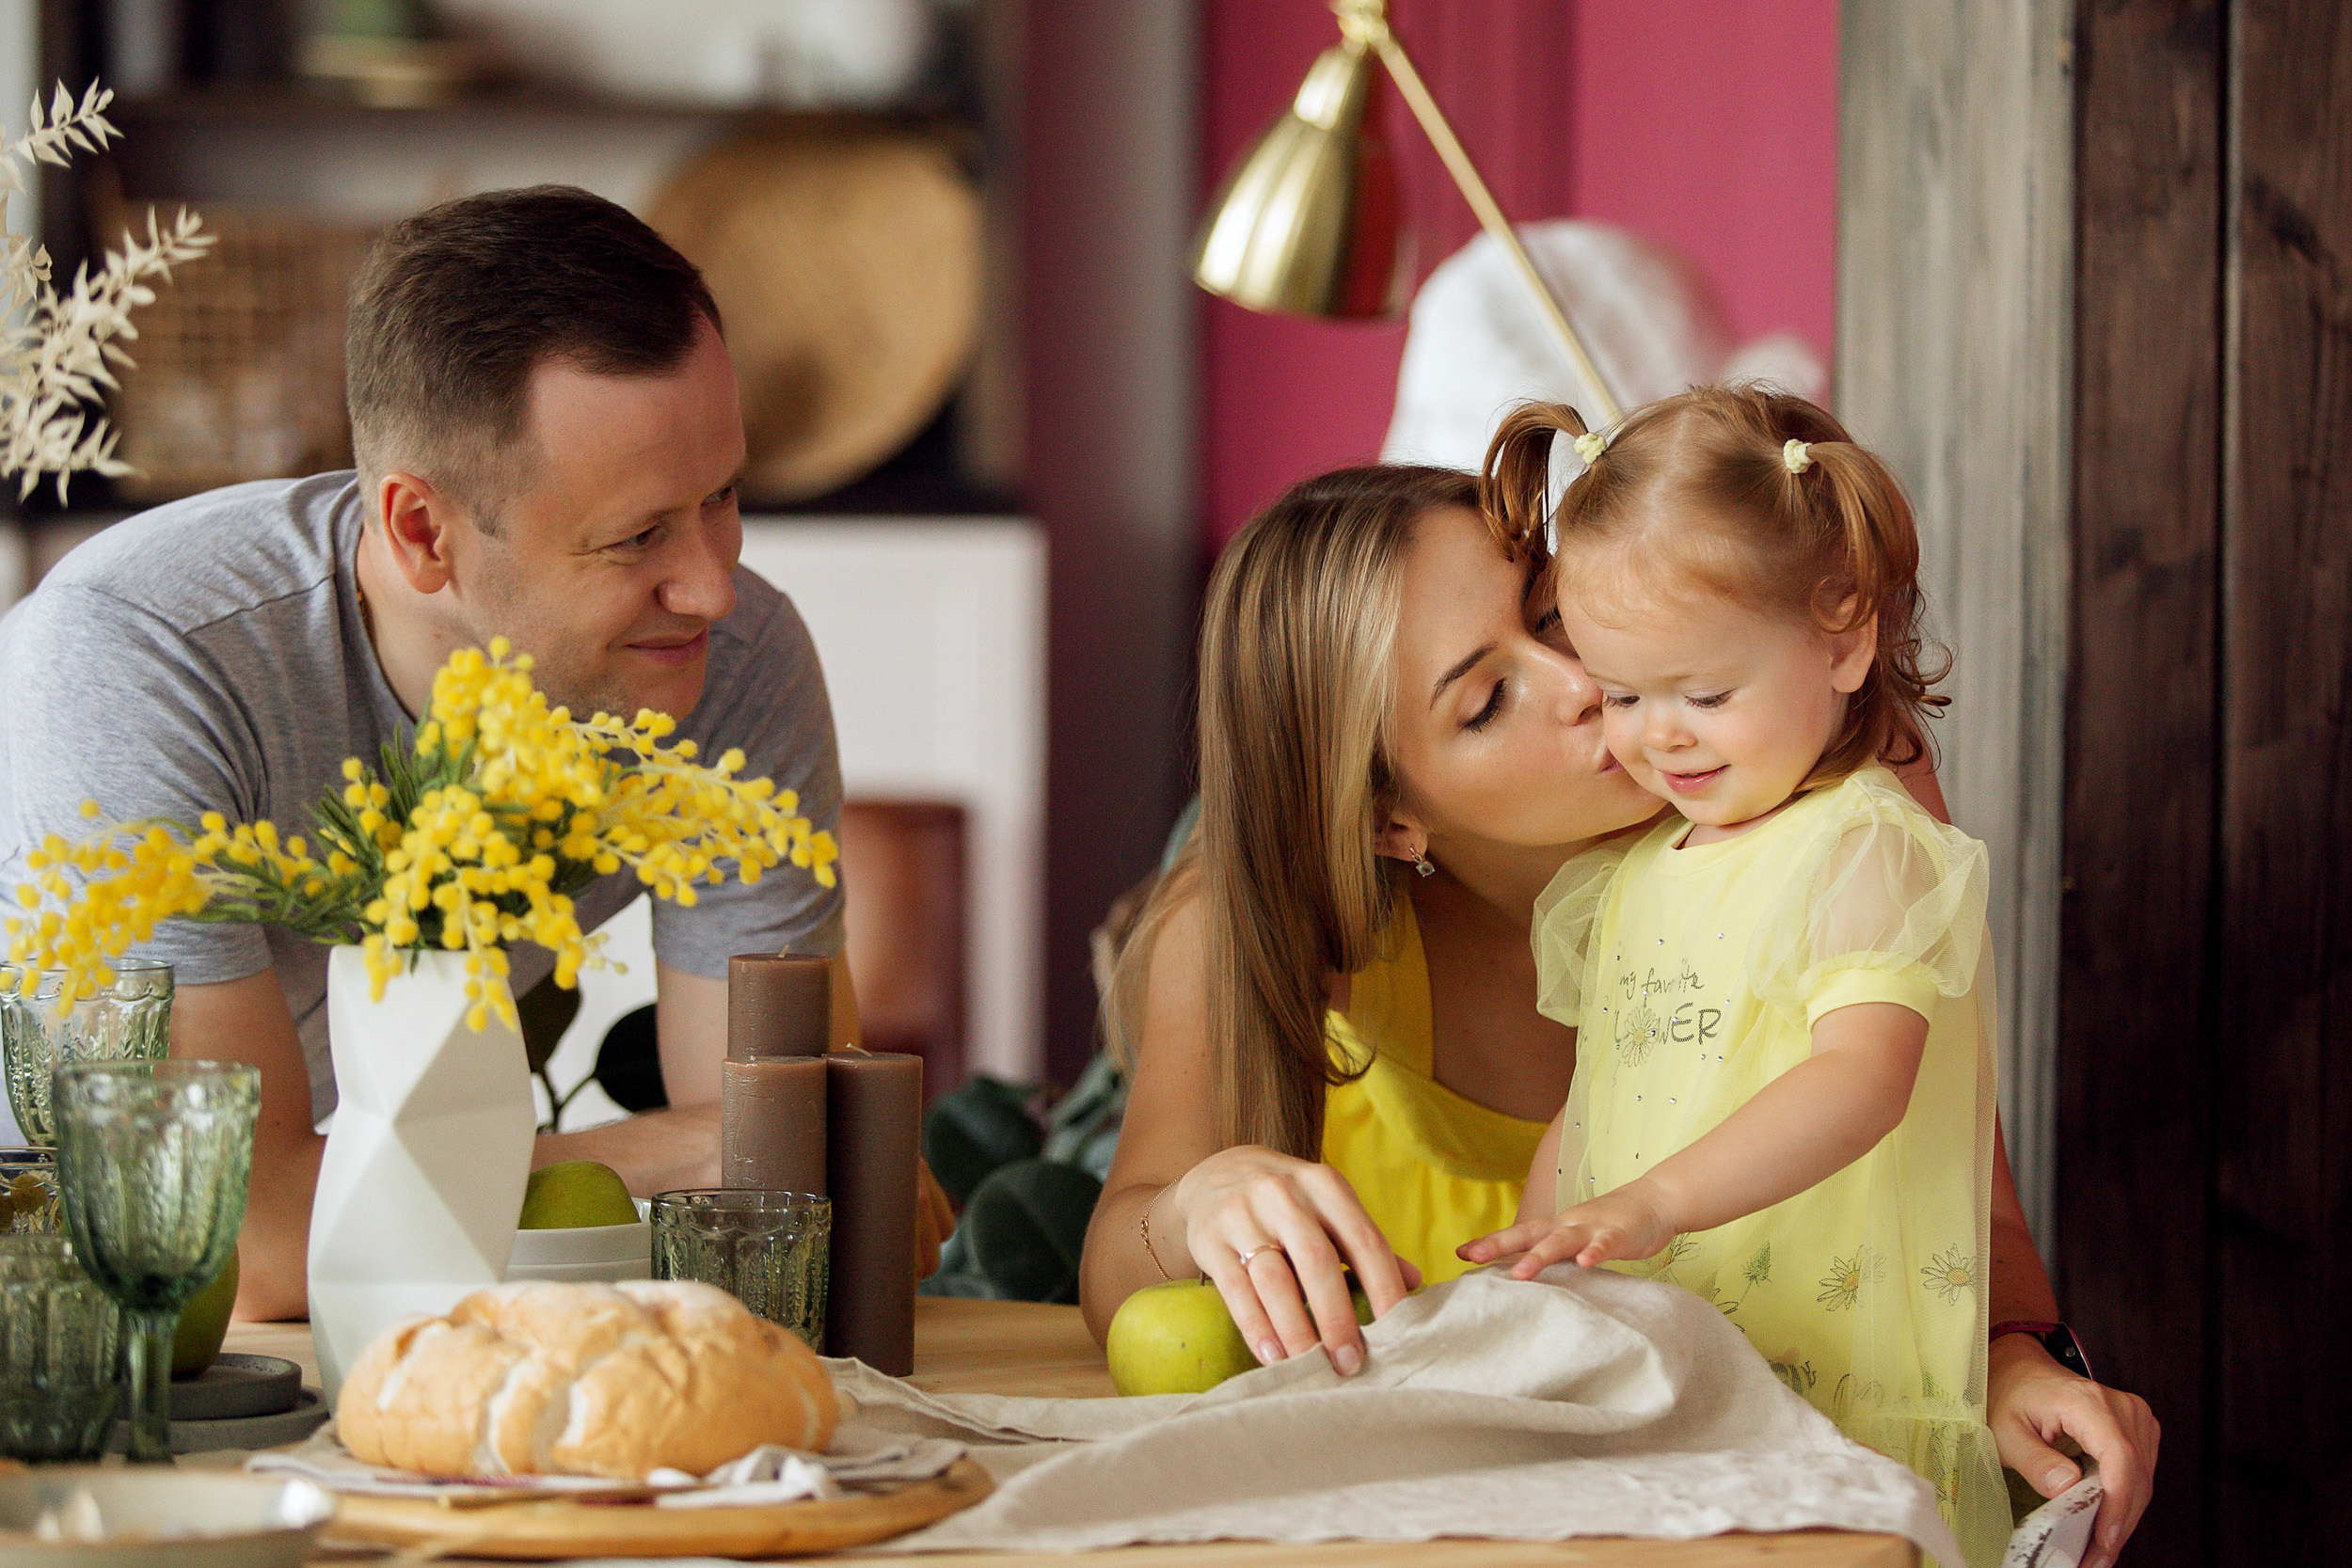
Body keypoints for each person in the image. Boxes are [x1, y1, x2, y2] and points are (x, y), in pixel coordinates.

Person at [1081, 462, 2157, 1568]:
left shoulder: (1828, 787)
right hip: (1469, 1486)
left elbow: (1952, 1156)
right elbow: (1117, 1263)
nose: (1584, 682)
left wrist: (2022, 1356)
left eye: (1553, 614)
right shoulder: (1238, 921)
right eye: (1487, 698)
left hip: (1787, 1429)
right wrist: (1200, 1199)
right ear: (1390, 817)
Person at [0, 186, 948, 1320]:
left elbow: (799, 1188)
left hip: (389, 1296)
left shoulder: (729, 661)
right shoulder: (139, 659)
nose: (712, 584)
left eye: (723, 495)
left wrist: (738, 1157)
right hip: (66, 1301)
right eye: (638, 534)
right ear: (420, 532)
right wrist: (677, 1152)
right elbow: (232, 1248)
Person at [1454, 388, 2003, 1560]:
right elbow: (1598, 1094)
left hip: (1830, 1394)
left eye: (1703, 693)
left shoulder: (1863, 845)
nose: (1660, 737)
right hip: (1664, 1376)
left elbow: (1861, 1077)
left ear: (1844, 634)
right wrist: (1538, 1249)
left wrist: (1652, 1204)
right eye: (1622, 693)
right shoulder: (1640, 866)